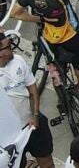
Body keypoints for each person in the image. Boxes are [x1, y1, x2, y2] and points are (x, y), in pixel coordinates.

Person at [0, 32, 53, 168]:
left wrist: (35, 115)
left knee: (47, 163)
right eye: (8, 46)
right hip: (11, 137)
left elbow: (33, 89)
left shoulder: (18, 61)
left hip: (32, 125)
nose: (12, 48)